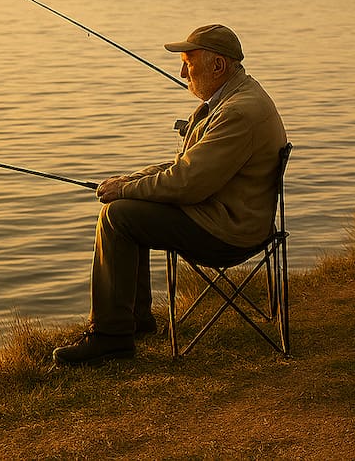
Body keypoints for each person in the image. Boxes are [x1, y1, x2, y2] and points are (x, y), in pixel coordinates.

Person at [53, 24, 287, 365]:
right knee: (129, 204)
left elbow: (187, 183)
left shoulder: (237, 112)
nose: (181, 72)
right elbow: (189, 167)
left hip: (229, 230)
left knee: (118, 215)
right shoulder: (234, 98)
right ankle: (135, 320)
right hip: (230, 212)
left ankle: (111, 337)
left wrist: (126, 189)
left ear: (218, 66)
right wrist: (132, 180)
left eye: (188, 62)